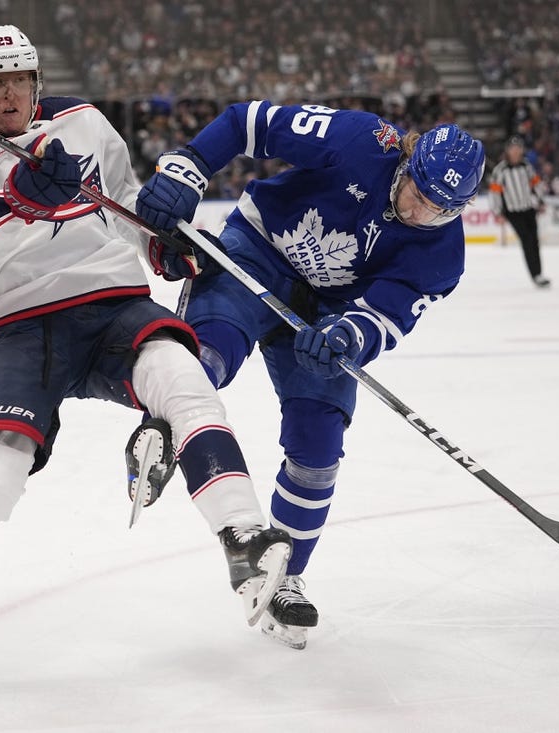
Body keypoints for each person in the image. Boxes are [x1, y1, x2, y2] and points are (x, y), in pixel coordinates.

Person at [0, 25, 292, 701]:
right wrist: (18, 195)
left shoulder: (84, 121)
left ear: (35, 78)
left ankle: (242, 536)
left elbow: (122, 202)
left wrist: (162, 246)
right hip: (18, 326)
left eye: (17, 79)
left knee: (185, 383)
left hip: (112, 305)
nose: (7, 94)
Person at [127, 102, 485, 649]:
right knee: (210, 354)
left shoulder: (444, 254)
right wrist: (190, 163)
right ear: (407, 162)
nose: (420, 213)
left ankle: (281, 575)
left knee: (318, 447)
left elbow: (386, 314)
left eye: (440, 210)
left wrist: (350, 335)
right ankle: (162, 427)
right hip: (258, 253)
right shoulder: (360, 141)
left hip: (326, 317)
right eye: (418, 193)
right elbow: (250, 122)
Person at [489, 136, 550, 287]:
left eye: (518, 149)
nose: (516, 152)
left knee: (534, 241)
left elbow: (536, 184)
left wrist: (541, 201)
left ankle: (538, 274)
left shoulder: (527, 166)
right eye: (513, 149)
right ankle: (536, 275)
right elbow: (495, 193)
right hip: (513, 212)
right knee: (527, 241)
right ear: (507, 151)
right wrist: (498, 212)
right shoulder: (500, 170)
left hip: (529, 208)